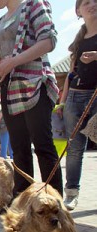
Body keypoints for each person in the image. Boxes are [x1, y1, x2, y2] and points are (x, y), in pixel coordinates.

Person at [0, 0, 62, 197]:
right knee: (19, 148)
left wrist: (14, 61)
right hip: (9, 88)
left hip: (34, 84)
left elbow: (49, 41)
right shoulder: (1, 21)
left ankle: (54, 201)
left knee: (42, 145)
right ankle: (22, 200)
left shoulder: (34, 4)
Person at [56, 0, 97, 210]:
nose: (92, 5)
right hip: (75, 96)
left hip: (96, 95)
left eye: (95, 1)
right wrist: (62, 103)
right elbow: (70, 75)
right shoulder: (79, 39)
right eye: (86, 2)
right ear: (78, 11)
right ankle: (71, 193)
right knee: (74, 148)